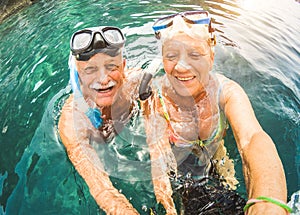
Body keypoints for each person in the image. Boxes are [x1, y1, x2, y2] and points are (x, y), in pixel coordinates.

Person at [141, 10, 291, 214]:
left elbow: (252, 138)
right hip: (180, 169)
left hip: (218, 158)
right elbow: (158, 158)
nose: (182, 67)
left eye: (194, 54)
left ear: (210, 58)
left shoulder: (227, 92)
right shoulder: (154, 97)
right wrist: (167, 205)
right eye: (171, 56)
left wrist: (268, 203)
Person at [58, 26, 177, 214]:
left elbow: (155, 128)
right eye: (90, 70)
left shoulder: (136, 84)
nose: (103, 79)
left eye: (111, 67)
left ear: (123, 66)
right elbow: (102, 189)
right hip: (104, 150)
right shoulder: (73, 122)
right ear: (78, 76)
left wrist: (161, 183)